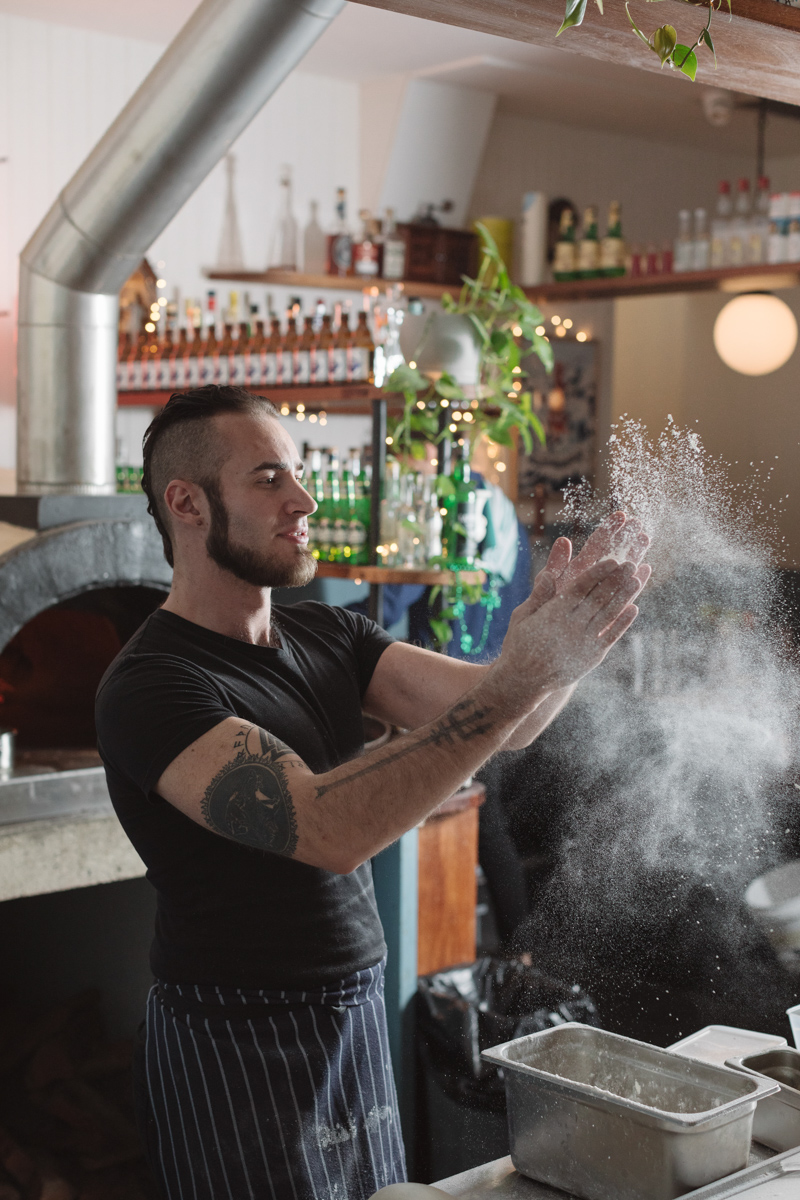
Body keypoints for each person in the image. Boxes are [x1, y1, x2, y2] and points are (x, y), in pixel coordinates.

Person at [94, 384, 650, 1200]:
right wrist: (517, 679)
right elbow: (324, 827)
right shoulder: (153, 684)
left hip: (351, 1011)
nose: (304, 500)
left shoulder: (330, 634)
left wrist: (563, 648)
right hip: (234, 1037)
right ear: (188, 503)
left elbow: (509, 719)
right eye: (269, 479)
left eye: (299, 473)